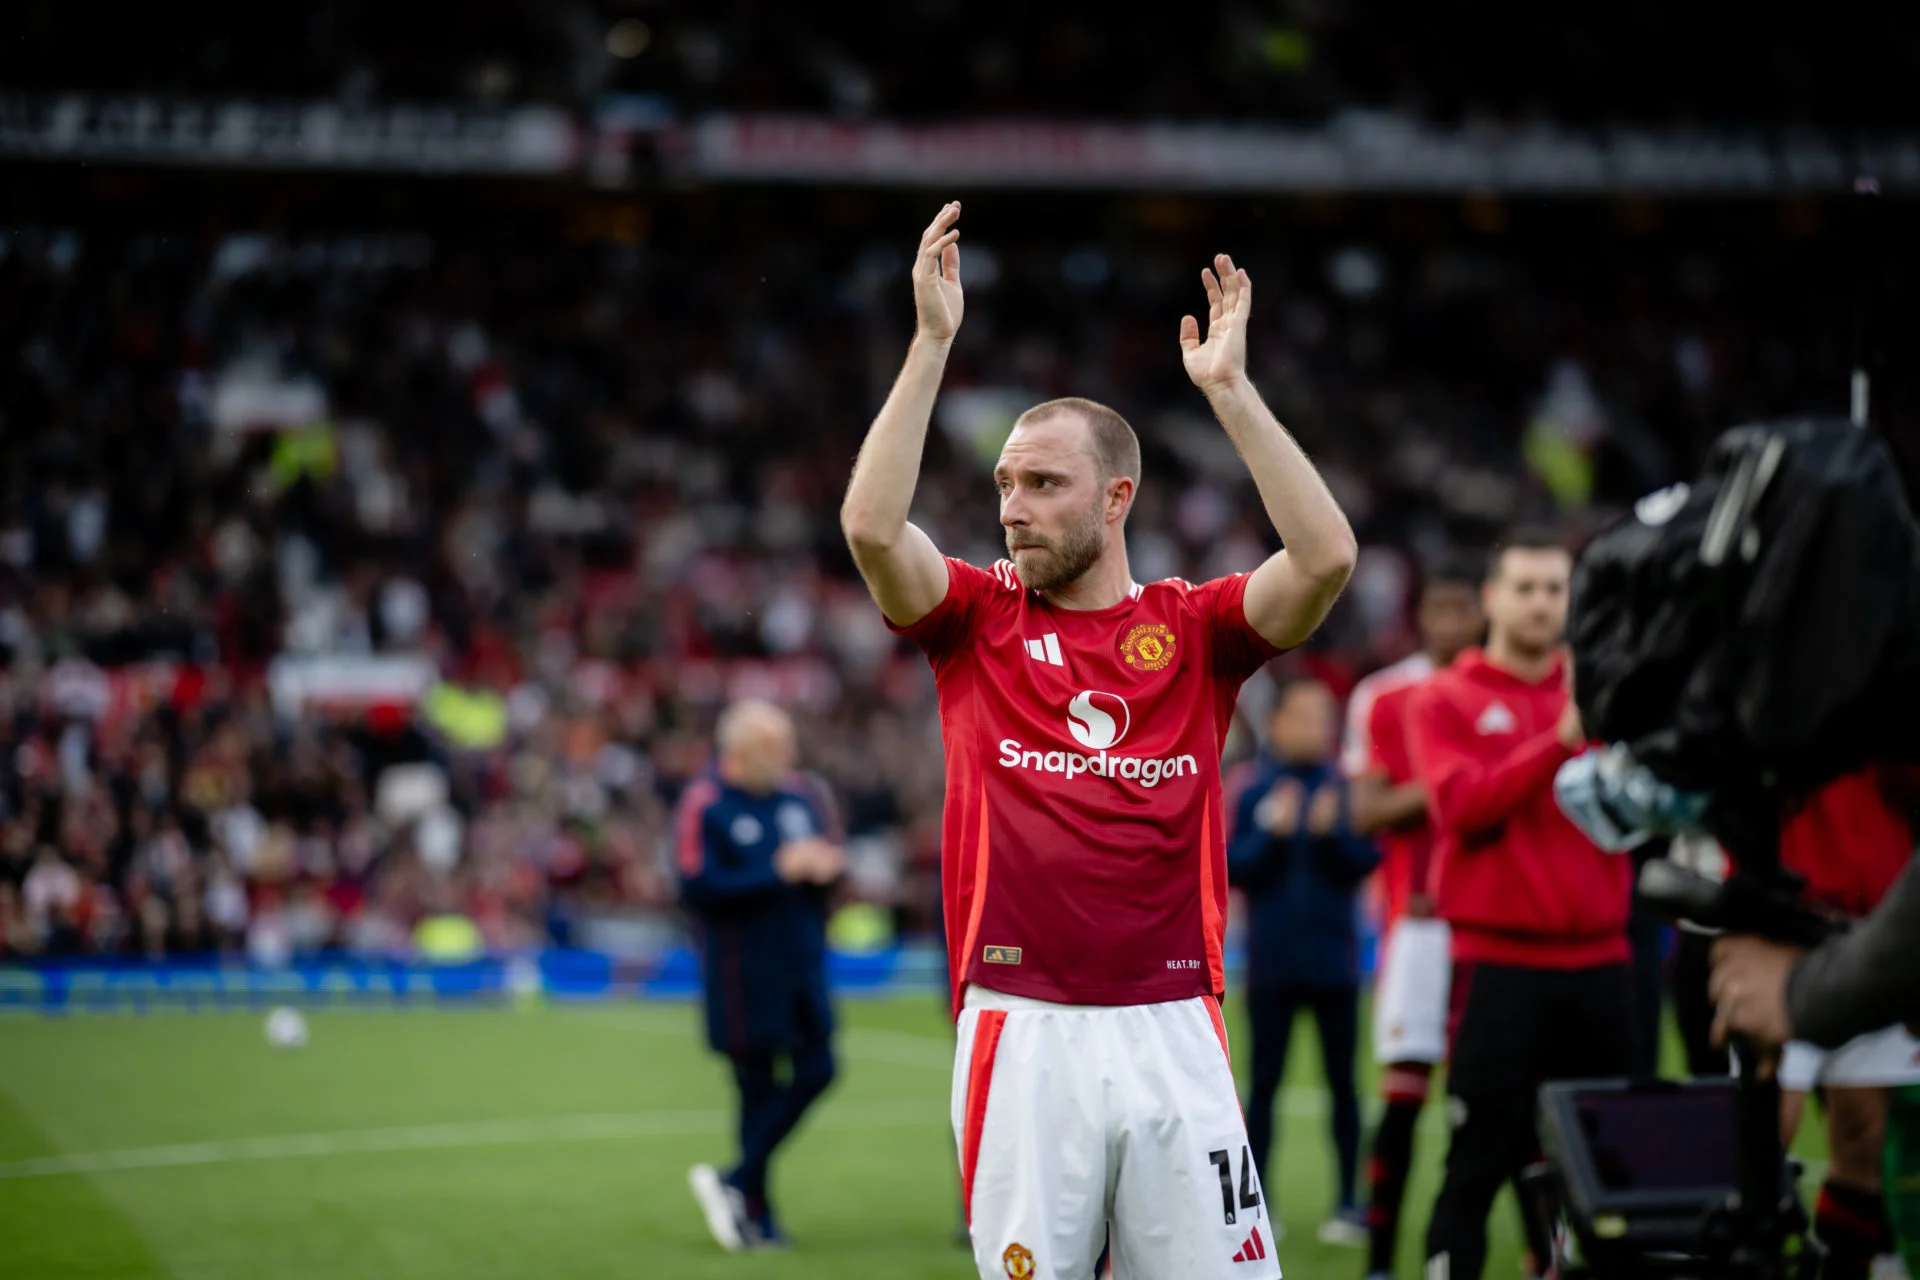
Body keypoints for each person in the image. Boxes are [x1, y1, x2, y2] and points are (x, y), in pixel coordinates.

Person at [841, 202, 1355, 1280]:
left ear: (1117, 497)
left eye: (1043, 484)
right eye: (1005, 485)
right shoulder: (975, 620)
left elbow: (1323, 559)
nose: (1013, 509)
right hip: (1023, 1025)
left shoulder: (1197, 629)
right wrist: (931, 341)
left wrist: (1231, 392)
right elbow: (873, 530)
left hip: (1175, 1023)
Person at [1407, 528, 1635, 1280]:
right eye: (1526, 588)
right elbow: (1461, 808)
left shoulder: (1605, 692)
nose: (1542, 604)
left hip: (1603, 963)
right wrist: (1559, 742)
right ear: (1492, 599)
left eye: (1555, 590)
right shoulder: (1445, 697)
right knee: (1477, 1160)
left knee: (1615, 1172)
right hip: (1498, 967)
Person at [1703, 765, 1920, 1280]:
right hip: (1777, 937)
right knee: (1763, 1134)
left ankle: (1843, 1269)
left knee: (1864, 1133)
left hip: (1880, 932)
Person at [1342, 558, 1484, 1280]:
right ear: (1420, 614)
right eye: (1440, 607)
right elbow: (1366, 810)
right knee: (1402, 1098)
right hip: (1418, 925)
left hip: (1494, 925)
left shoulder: (1511, 689)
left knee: (1493, 1103)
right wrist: (1456, 785)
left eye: (1464, 607)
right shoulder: (1383, 695)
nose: (1451, 623)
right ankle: (1379, 1261)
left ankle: (1488, 1252)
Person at [678, 699, 846, 1253]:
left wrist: (825, 868)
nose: (789, 755)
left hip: (803, 964)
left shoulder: (801, 796)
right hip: (742, 974)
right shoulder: (707, 803)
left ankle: (737, 1178)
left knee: (820, 1068)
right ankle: (757, 1213)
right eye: (776, 746)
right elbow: (697, 886)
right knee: (755, 1089)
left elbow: (826, 857)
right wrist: (776, 871)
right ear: (741, 751)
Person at [1227, 676, 1380, 1246]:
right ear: (1277, 723)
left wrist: (1330, 835)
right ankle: (1257, 1204)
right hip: (1271, 966)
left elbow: (1366, 860)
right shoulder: (1253, 789)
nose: (1315, 728)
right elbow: (1234, 868)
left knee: (1345, 1087)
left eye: (1323, 717)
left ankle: (1349, 1204)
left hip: (1336, 965)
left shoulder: (1345, 789)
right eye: (1303, 717)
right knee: (1263, 1087)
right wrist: (1274, 833)